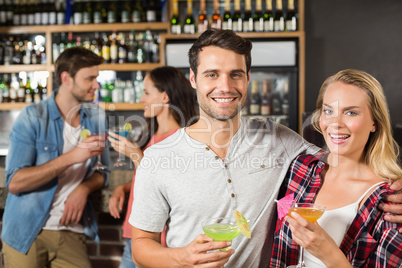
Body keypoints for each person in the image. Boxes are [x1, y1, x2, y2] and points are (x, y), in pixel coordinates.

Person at [129, 29, 402, 268]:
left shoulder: (278, 139)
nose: (224, 86)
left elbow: (342, 155)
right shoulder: (157, 158)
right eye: (212, 74)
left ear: (247, 78)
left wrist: (395, 181)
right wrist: (182, 258)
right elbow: (140, 246)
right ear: (193, 78)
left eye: (235, 74)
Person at [271, 69, 402, 267]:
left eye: (351, 112)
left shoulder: (390, 202)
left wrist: (330, 255)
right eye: (329, 111)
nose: (335, 123)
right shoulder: (300, 169)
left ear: (374, 122)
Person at [2, 47, 110, 268]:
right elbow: (15, 183)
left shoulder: (97, 117)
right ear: (66, 78)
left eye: (97, 78)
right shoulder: (32, 117)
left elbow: (103, 172)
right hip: (28, 230)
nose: (96, 85)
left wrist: (84, 188)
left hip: (72, 230)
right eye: (90, 78)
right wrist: (73, 157)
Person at [107, 66, 197, 268]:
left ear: (165, 97)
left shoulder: (181, 139)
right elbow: (150, 181)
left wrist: (137, 156)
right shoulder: (152, 134)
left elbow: (173, 188)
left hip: (156, 241)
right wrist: (125, 187)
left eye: (147, 93)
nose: (141, 100)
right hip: (134, 234)